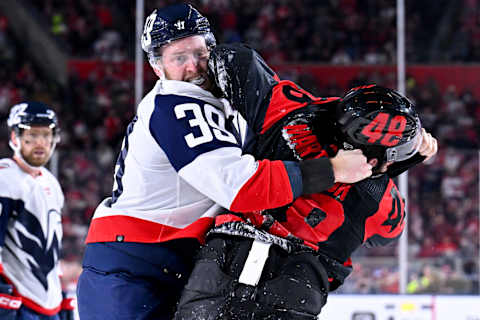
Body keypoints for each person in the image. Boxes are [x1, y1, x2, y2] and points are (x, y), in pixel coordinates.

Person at [76, 4, 372, 320]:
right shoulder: (178, 107)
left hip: (162, 264)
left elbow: (297, 115)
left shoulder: (221, 100)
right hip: (133, 273)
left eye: (199, 53)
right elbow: (242, 186)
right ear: (157, 67)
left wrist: (400, 139)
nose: (193, 66)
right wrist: (332, 169)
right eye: (179, 58)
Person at [174, 44, 438, 319]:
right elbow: (385, 234)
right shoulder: (380, 201)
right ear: (379, 158)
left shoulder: (292, 112)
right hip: (296, 284)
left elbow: (232, 58)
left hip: (223, 259)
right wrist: (402, 162)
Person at [0, 102, 74, 320]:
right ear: (15, 138)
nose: (40, 142)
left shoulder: (51, 183)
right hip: (18, 304)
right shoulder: (5, 179)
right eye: (32, 135)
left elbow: (51, 247)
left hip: (49, 306)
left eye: (46, 135)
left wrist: (60, 294)